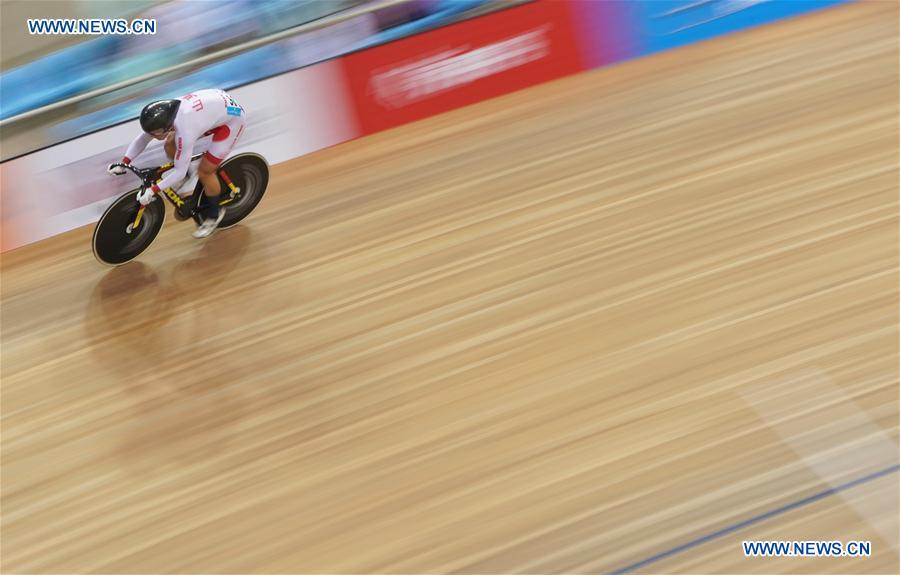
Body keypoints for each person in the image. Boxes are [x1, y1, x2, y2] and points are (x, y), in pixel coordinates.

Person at [108, 89, 246, 238]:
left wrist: (153, 190)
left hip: (231, 123)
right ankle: (188, 174)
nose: (152, 136)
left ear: (165, 127)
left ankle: (214, 215)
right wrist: (124, 162)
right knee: (169, 144)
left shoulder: (186, 130)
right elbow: (143, 138)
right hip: (214, 110)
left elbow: (177, 172)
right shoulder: (167, 113)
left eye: (154, 133)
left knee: (205, 171)